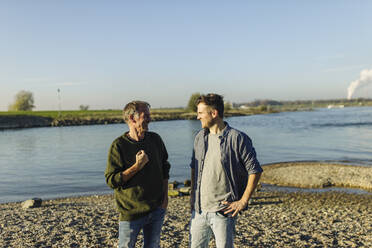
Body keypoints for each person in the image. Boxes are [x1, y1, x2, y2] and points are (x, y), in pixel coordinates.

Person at [189, 93, 263, 248]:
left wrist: (243, 201)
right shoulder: (199, 138)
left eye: (201, 113)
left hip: (223, 211)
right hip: (199, 211)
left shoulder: (238, 138)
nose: (198, 117)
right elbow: (194, 168)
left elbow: (254, 170)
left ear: (214, 113)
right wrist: (192, 198)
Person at [105, 101, 170, 248]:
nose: (150, 118)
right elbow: (111, 181)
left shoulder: (155, 140)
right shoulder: (119, 146)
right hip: (131, 212)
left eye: (149, 114)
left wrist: (165, 198)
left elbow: (165, 168)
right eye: (145, 115)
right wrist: (137, 166)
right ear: (132, 119)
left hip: (157, 209)